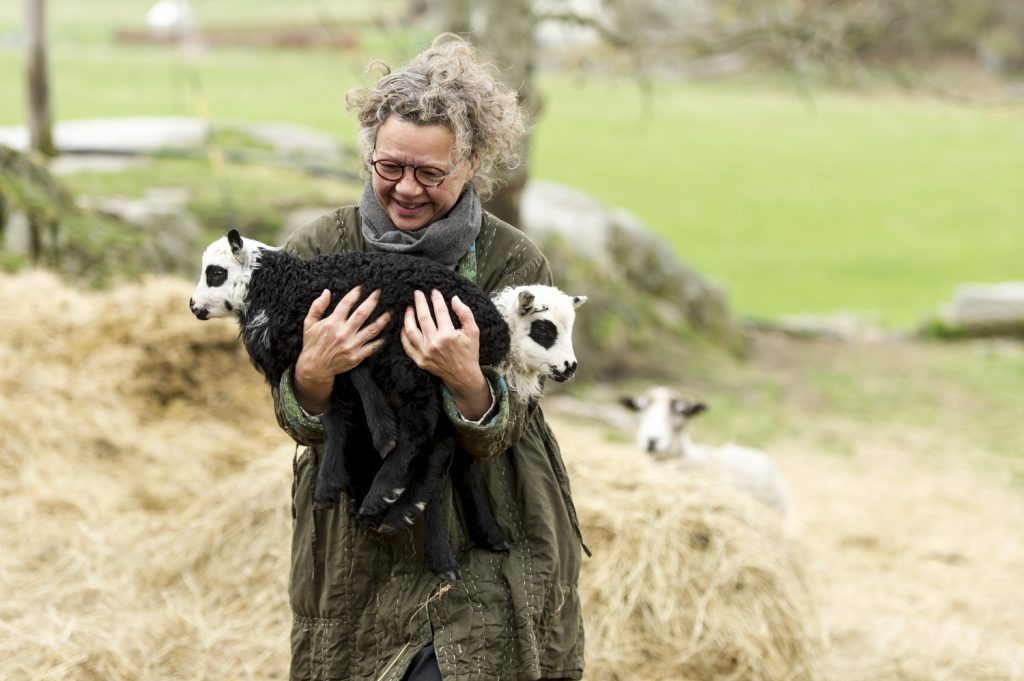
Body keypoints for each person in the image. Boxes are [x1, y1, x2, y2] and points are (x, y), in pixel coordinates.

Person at [271, 35, 587, 681]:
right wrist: (313, 373)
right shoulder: (318, 248)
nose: (406, 189)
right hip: (359, 527)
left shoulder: (512, 264)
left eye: (431, 174)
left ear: (472, 165)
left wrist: (467, 379)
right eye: (389, 167)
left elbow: (509, 426)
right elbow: (298, 421)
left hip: (489, 520)